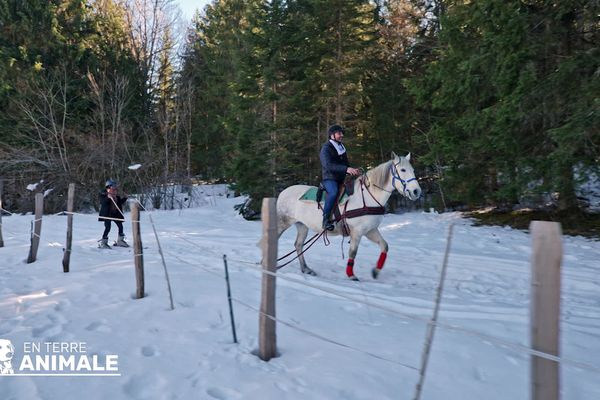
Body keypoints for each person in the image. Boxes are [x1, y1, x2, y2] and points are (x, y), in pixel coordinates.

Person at [319, 124, 361, 231]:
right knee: (333, 192)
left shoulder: (341, 147)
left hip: (340, 178)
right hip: (329, 178)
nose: (341, 135)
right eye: (339, 133)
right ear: (332, 135)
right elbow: (328, 165)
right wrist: (346, 169)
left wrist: (352, 170)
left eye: (342, 133)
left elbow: (345, 164)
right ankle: (325, 220)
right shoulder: (326, 148)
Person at [98, 179, 129, 248]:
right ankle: (104, 242)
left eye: (115, 187)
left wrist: (125, 198)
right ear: (108, 187)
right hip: (107, 215)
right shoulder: (103, 195)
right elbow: (103, 202)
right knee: (108, 228)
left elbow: (119, 203)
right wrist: (107, 198)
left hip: (115, 214)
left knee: (120, 226)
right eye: (113, 187)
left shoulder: (116, 196)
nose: (114, 188)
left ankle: (120, 241)